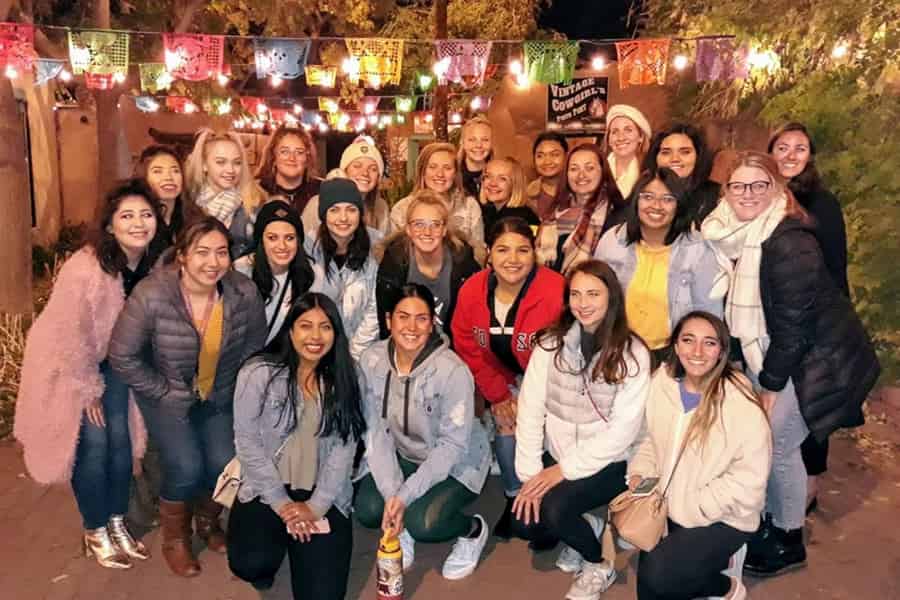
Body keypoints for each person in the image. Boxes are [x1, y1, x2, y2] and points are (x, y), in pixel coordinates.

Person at [701, 151, 880, 577]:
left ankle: (788, 539)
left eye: (759, 185)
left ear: (776, 188)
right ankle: (771, 520)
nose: (747, 194)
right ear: (726, 191)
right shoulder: (733, 233)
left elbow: (794, 329)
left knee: (778, 445)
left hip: (811, 359)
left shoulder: (788, 241)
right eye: (738, 185)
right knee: (768, 442)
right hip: (779, 351)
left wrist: (770, 383)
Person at [15, 179, 165, 569]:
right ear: (110, 224)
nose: (138, 223)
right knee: (94, 443)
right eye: (126, 216)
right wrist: (87, 388)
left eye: (146, 214)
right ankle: (94, 528)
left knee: (121, 441)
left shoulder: (151, 265)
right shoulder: (86, 267)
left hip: (111, 362)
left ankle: (116, 520)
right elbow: (68, 332)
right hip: (69, 364)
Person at [109, 217, 267, 577]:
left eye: (221, 253)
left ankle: (208, 521)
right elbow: (122, 355)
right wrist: (163, 390)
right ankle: (175, 538)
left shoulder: (243, 293)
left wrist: (234, 386)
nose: (213, 262)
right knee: (185, 465)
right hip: (166, 394)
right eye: (202, 252)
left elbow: (254, 345)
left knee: (224, 461)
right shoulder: (152, 294)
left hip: (218, 392)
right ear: (182, 255)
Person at [513, 260, 651, 600]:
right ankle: (588, 524)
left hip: (611, 461)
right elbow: (530, 409)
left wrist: (563, 471)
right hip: (558, 453)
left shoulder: (633, 353)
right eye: (575, 294)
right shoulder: (550, 344)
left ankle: (597, 563)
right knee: (525, 522)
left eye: (593, 294)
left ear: (611, 297)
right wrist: (530, 476)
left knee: (554, 510)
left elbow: (622, 432)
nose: (583, 303)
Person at [228, 293, 366, 600]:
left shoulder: (349, 376)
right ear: (290, 331)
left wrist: (315, 507)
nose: (315, 336)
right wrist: (282, 505)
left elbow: (345, 450)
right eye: (305, 326)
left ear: (336, 333)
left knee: (323, 596)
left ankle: (298, 540)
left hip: (323, 490)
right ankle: (278, 543)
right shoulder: (258, 373)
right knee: (249, 563)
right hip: (267, 488)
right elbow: (247, 442)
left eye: (325, 327)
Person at [630, 311, 772, 600]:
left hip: (724, 515)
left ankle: (725, 587)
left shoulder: (739, 403)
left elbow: (749, 481)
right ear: (675, 345)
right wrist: (640, 474)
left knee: (658, 574)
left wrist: (692, 506)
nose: (697, 352)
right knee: (651, 577)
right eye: (688, 340)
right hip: (668, 504)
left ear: (721, 350)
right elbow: (648, 438)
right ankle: (704, 570)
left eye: (709, 343)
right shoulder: (662, 383)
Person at [355, 284, 491, 580]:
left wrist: (405, 496)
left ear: (432, 324)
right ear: (389, 320)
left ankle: (472, 531)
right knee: (368, 509)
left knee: (424, 523)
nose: (411, 327)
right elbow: (375, 432)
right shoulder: (371, 360)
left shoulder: (452, 371)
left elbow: (451, 447)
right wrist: (393, 494)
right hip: (404, 454)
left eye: (421, 319)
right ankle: (402, 522)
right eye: (403, 317)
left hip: (457, 460)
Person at [451, 217, 565, 538]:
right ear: (488, 252)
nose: (512, 259)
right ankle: (514, 496)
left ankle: (551, 498)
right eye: (502, 250)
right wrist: (498, 395)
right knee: (506, 420)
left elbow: (568, 351)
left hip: (551, 380)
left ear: (534, 252)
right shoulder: (473, 289)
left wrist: (533, 399)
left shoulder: (556, 289)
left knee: (542, 427)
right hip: (502, 375)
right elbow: (466, 343)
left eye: (522, 250)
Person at [769, 122, 850, 513]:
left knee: (812, 401)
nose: (790, 155)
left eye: (799, 148)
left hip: (814, 318)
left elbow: (835, 266)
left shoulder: (822, 204)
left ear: (810, 156)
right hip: (775, 318)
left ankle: (810, 485)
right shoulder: (762, 194)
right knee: (781, 409)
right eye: (782, 147)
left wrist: (829, 325)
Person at [594, 168, 722, 366]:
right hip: (616, 349)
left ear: (679, 205)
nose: (656, 205)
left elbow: (709, 317)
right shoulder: (613, 240)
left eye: (668, 199)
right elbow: (593, 295)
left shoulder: (699, 250)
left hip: (672, 356)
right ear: (636, 201)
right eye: (647, 197)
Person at [376, 190, 481, 339]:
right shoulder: (394, 263)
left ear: (444, 230)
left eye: (435, 225)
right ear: (408, 229)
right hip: (406, 343)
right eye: (419, 224)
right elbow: (386, 321)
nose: (427, 232)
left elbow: (473, 319)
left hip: (452, 346)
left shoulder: (463, 262)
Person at [305, 178, 380, 361]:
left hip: (363, 353)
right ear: (324, 214)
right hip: (316, 349)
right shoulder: (307, 248)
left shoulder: (376, 247)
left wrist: (353, 355)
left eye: (351, 210)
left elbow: (374, 309)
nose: (343, 218)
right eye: (334, 210)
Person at [535, 144, 626, 275]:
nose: (581, 175)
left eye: (589, 168)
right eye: (574, 169)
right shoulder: (554, 213)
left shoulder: (618, 214)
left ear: (603, 172)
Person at [234, 200, 316, 345]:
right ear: (261, 240)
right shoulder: (239, 271)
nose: (282, 246)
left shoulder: (312, 275)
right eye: (272, 238)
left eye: (289, 238)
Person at [185, 128, 265, 258]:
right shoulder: (187, 203)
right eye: (221, 162)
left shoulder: (255, 203)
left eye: (237, 163)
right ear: (204, 164)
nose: (230, 170)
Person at [388, 142, 484, 250]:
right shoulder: (402, 209)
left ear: (455, 173)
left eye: (447, 168)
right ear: (422, 171)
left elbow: (479, 250)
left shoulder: (470, 206)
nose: (440, 174)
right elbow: (395, 252)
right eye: (433, 167)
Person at [301, 136, 390, 235]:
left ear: (378, 176)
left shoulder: (381, 208)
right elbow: (303, 240)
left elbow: (384, 242)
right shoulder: (318, 203)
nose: (365, 173)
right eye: (357, 166)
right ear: (345, 170)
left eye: (373, 169)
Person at [643, 123, 719, 226]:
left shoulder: (716, 196)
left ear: (698, 156)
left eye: (685, 152)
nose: (675, 159)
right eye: (666, 152)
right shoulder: (642, 194)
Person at [135, 145, 199, 246]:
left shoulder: (194, 218)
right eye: (157, 171)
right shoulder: (138, 222)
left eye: (175, 171)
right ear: (144, 177)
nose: (168, 177)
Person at [256, 125, 322, 215]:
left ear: (307, 159)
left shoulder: (321, 191)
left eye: (299, 152)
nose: (292, 158)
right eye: (285, 152)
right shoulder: (257, 191)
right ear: (273, 157)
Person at [478, 157, 540, 235]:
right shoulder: (489, 211)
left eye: (502, 179)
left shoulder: (519, 218)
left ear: (515, 184)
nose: (493, 183)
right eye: (488, 176)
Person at [604, 104, 652, 199]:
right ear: (609, 139)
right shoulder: (598, 169)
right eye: (615, 131)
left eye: (628, 130)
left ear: (641, 137)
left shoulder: (650, 173)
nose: (621, 137)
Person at [527, 131, 569, 218]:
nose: (547, 161)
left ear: (566, 157)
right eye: (540, 156)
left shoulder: (580, 191)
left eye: (555, 155)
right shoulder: (527, 196)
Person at [458, 115, 494, 198]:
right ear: (462, 142)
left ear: (492, 143)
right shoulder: (453, 175)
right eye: (472, 140)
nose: (478, 145)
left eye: (485, 140)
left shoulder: (500, 176)